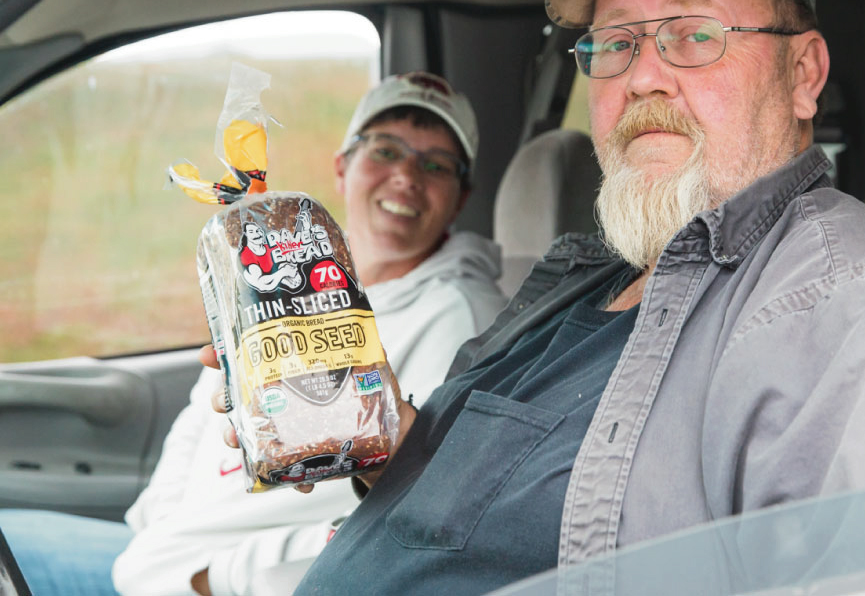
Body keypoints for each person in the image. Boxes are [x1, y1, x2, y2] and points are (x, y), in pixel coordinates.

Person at [201, 0, 865, 596]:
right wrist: (369, 432)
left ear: (804, 74)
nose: (642, 76)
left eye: (693, 35)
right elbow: (501, 516)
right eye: (616, 43)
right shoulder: (583, 281)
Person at [0, 71, 508, 596]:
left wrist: (220, 578)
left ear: (461, 195)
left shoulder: (460, 319)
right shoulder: (287, 270)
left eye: (435, 165)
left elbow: (417, 513)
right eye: (385, 150)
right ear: (342, 166)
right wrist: (156, 529)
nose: (406, 176)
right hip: (154, 562)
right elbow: (204, 410)